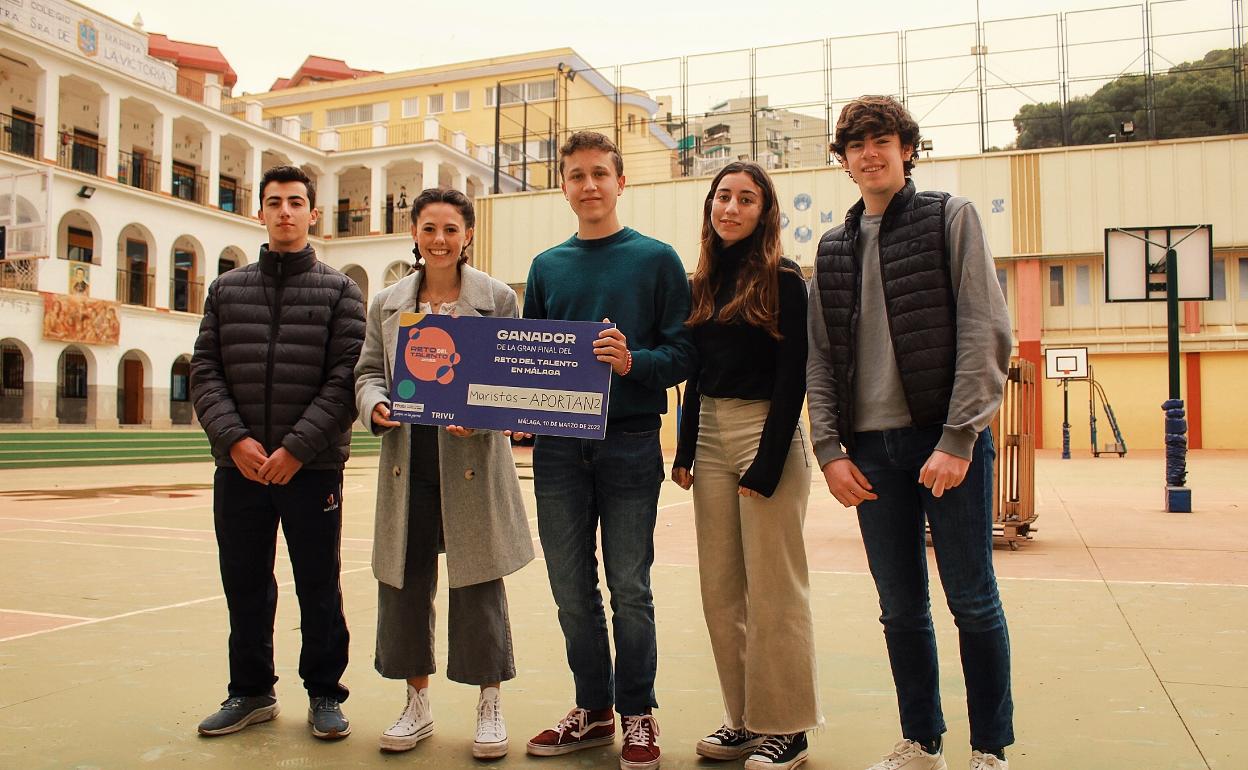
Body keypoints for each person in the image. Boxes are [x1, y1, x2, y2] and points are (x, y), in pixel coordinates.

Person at [806, 96, 1014, 770]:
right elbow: (820, 359)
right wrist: (831, 451)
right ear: (843, 160)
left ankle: (990, 750)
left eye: (883, 140)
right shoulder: (833, 249)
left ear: (907, 149)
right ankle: (922, 742)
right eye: (856, 144)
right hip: (870, 454)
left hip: (942, 443)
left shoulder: (950, 217)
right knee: (900, 608)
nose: (870, 153)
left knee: (972, 600)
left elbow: (985, 329)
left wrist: (959, 437)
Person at [522, 131, 695, 770]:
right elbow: (530, 362)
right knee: (571, 587)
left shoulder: (656, 260)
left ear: (622, 182)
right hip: (558, 450)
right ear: (563, 186)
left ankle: (639, 715)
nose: (589, 185)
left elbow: (682, 354)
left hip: (628, 443)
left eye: (600, 173)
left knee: (630, 585)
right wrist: (517, 413)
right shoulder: (547, 267)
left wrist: (632, 361)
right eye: (576, 175)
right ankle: (593, 710)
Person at [354, 187, 534, 760]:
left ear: (468, 236)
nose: (439, 240)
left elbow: (511, 380)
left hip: (472, 465)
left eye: (450, 229)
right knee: (404, 584)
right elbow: (366, 373)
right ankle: (417, 703)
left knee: (478, 584)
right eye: (429, 228)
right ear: (414, 233)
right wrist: (375, 406)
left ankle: (489, 703)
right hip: (409, 463)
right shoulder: (385, 302)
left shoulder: (498, 299)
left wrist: (479, 417)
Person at [191, 165, 364, 740]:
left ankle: (324, 694)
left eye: (296, 202)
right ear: (259, 212)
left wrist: (294, 448)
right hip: (238, 468)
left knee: (319, 584)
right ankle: (251, 692)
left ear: (313, 214)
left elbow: (345, 380)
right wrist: (234, 440)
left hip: (311, 469)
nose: (285, 211)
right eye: (274, 202)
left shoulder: (341, 291)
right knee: (245, 583)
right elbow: (205, 371)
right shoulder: (225, 289)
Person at [671, 161, 819, 770]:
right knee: (721, 590)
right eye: (722, 196)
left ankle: (787, 727)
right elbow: (696, 377)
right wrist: (683, 448)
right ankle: (743, 720)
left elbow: (794, 377)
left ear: (765, 212)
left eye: (746, 199)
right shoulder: (701, 281)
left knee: (775, 590)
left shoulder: (782, 279)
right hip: (708, 435)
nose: (730, 208)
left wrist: (770, 456)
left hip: (766, 431)